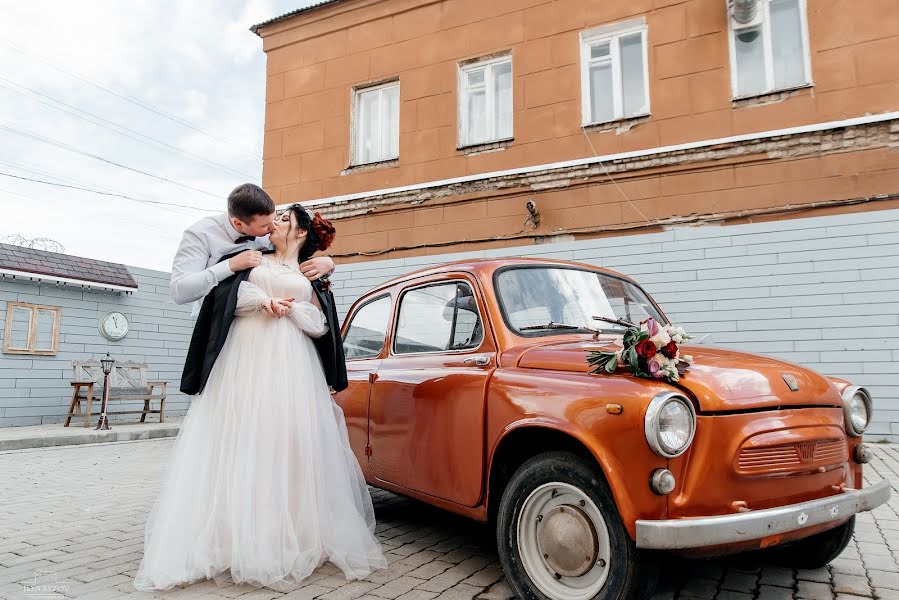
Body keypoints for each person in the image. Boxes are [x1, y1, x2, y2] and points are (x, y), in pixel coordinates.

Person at [133, 204, 386, 592]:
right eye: (274, 218)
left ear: (301, 234)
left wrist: (297, 306)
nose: (274, 223)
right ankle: (229, 537)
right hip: (244, 363)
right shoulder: (251, 257)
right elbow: (224, 300)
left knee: (286, 443)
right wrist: (260, 301)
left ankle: (295, 534)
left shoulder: (311, 272)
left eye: (284, 220)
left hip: (293, 370)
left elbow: (322, 324)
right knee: (239, 440)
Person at [170, 183, 335, 316]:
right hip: (217, 323)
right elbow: (180, 292)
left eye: (276, 218)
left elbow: (292, 255)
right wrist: (229, 265)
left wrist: (329, 264)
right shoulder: (200, 234)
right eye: (265, 225)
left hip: (268, 318)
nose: (273, 226)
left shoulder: (272, 234)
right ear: (238, 224)